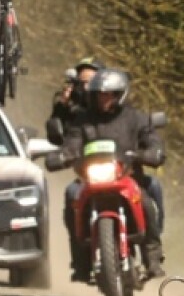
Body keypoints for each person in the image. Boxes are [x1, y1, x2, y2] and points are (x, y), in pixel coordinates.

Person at [46, 67, 165, 280]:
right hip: (91, 179)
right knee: (72, 195)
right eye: (99, 95)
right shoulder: (82, 120)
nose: (104, 99)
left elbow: (153, 142)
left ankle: (152, 257)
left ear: (120, 95)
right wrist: (63, 156)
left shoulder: (136, 118)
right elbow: (72, 144)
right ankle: (81, 262)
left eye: (109, 94)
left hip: (129, 178)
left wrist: (150, 153)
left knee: (147, 203)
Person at [46, 57, 100, 146]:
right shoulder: (70, 106)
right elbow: (55, 134)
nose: (86, 87)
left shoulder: (110, 107)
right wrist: (63, 103)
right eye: (82, 83)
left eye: (91, 83)